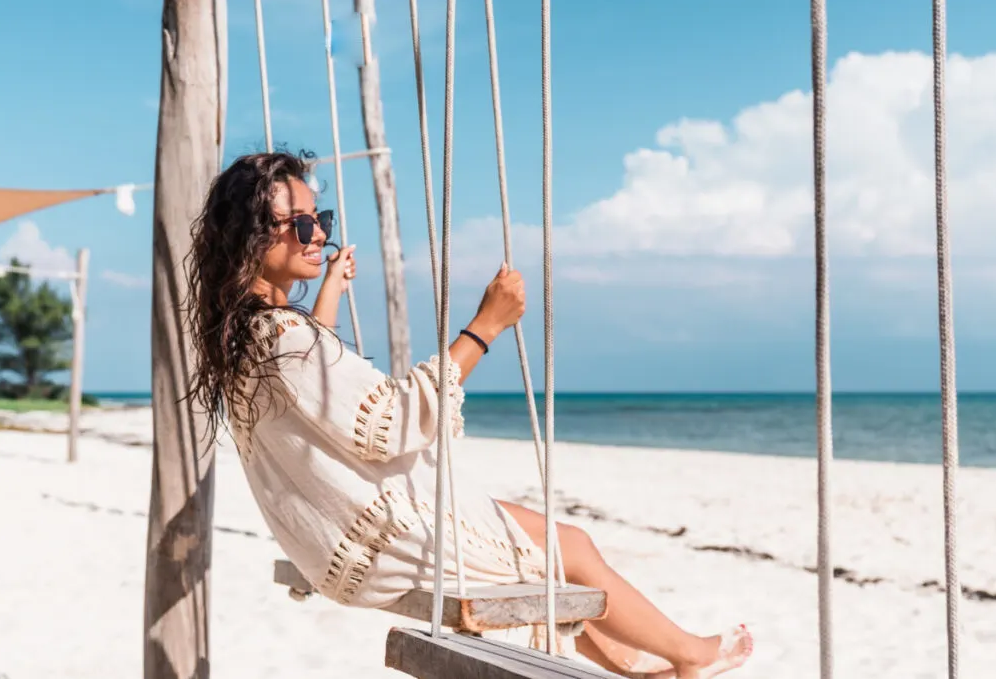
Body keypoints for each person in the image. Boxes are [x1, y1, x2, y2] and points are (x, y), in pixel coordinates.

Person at [184, 151, 752, 679]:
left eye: (320, 216)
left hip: (337, 543)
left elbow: (315, 391)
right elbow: (388, 421)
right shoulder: (281, 336)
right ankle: (690, 654)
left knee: (548, 549)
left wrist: (328, 291)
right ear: (254, 237)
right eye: (302, 223)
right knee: (570, 549)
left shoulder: (251, 334)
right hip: (377, 540)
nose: (320, 234)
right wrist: (486, 325)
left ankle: (635, 665)